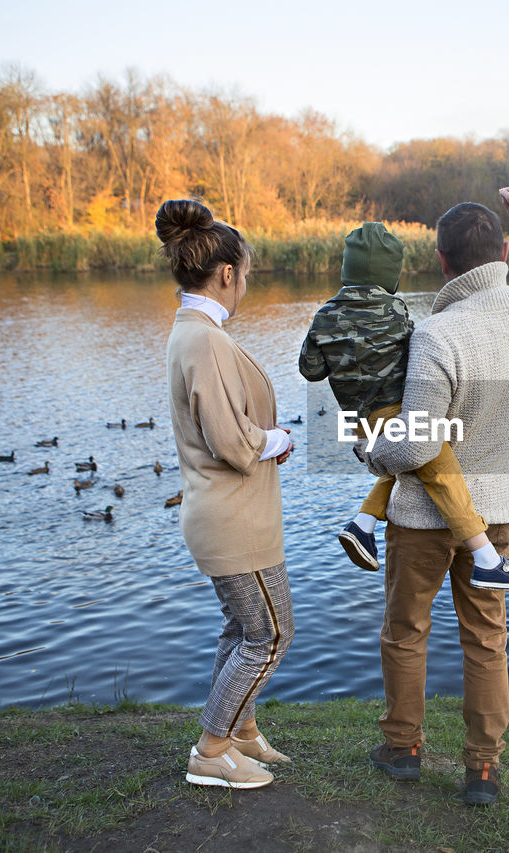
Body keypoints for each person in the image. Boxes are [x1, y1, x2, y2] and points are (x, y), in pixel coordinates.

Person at [362, 186, 509, 805]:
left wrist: (370, 453)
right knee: (487, 638)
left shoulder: (437, 335)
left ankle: (403, 747)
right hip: (498, 517)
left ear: (441, 263)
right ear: (505, 255)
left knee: (406, 630)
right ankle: (483, 770)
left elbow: (413, 449)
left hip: (420, 517)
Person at [298, 222, 509, 591]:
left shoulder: (325, 315)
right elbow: (416, 354)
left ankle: (362, 524)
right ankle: (487, 558)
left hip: (359, 420)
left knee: (399, 464)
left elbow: (309, 370)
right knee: (442, 471)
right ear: (391, 271)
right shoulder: (394, 308)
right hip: (392, 412)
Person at [158, 199, 296, 790]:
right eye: (247, 273)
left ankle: (239, 731)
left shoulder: (195, 332)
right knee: (270, 633)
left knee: (242, 629)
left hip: (230, 512)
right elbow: (233, 442)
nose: (247, 284)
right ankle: (211, 753)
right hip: (232, 517)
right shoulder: (205, 341)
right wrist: (277, 438)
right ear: (227, 273)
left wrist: (264, 441)